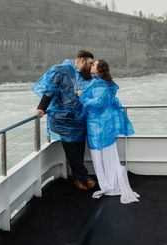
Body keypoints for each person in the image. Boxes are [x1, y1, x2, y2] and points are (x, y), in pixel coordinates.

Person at [31, 50, 96, 190]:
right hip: (64, 120)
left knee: (79, 148)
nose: (91, 67)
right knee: (72, 150)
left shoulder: (85, 75)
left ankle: (78, 177)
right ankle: (82, 177)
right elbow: (49, 90)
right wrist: (41, 107)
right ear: (80, 60)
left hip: (80, 119)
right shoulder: (60, 70)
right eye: (89, 63)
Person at [78, 60, 139, 203]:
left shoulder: (100, 84)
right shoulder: (104, 84)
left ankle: (108, 184)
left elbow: (98, 103)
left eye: (94, 64)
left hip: (97, 126)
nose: (91, 65)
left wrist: (82, 96)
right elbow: (112, 102)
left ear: (99, 69)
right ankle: (110, 181)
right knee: (107, 154)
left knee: (99, 155)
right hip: (104, 125)